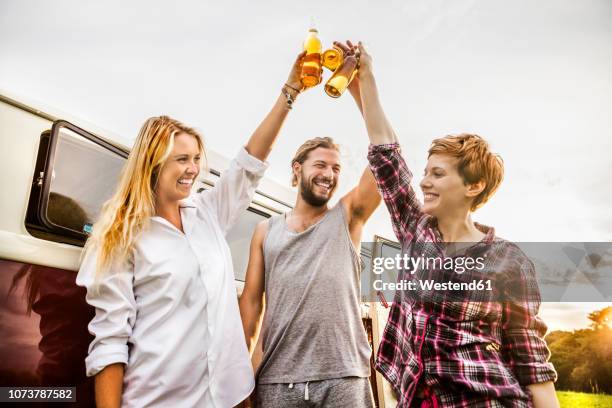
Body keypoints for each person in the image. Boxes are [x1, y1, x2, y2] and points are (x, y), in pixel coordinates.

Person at [76, 51, 308, 408]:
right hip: (161, 400)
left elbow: (249, 165)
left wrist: (290, 91)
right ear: (152, 163)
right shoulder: (118, 237)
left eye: (197, 158)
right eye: (181, 159)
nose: (193, 169)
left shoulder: (206, 213)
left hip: (229, 397)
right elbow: (109, 341)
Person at [353, 41, 559, 407]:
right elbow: (387, 159)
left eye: (437, 174)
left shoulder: (508, 261)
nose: (424, 181)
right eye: (426, 172)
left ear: (473, 186)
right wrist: (366, 77)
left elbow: (531, 359)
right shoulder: (418, 231)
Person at [239, 43, 381, 408]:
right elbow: (251, 306)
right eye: (320, 165)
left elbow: (388, 163)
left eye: (336, 168)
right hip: (276, 381)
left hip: (344, 378)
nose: (330, 174)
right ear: (296, 169)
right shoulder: (265, 231)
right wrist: (236, 379)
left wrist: (362, 86)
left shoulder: (347, 217)